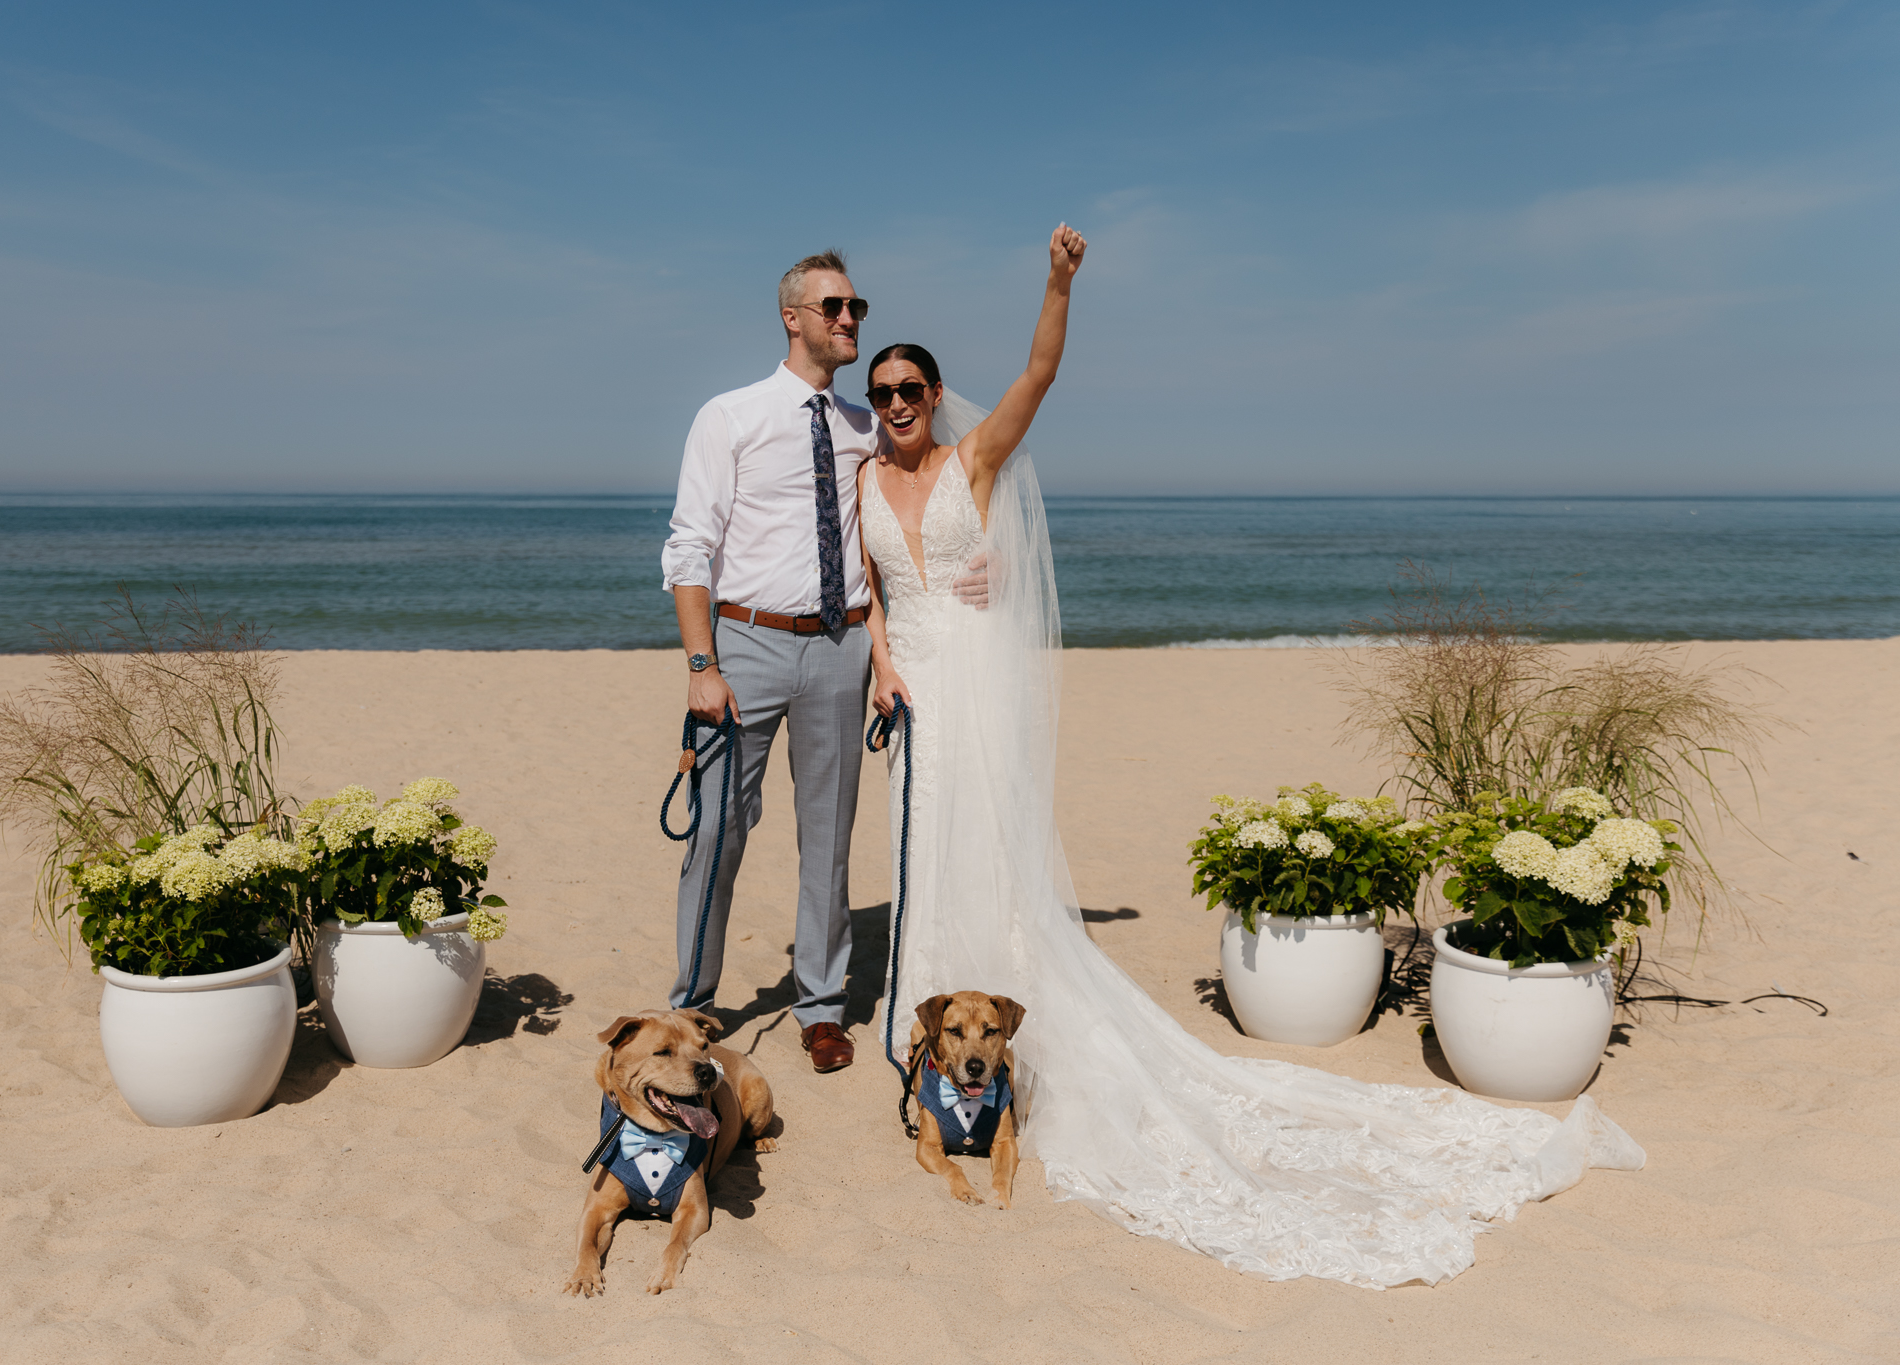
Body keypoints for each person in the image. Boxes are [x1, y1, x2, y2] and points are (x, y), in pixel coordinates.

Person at [854, 224, 1646, 1289]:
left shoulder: (972, 460)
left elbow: (1041, 371)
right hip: (913, 691)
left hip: (977, 692)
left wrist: (1056, 283)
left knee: (986, 847)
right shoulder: (862, 481)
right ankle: (924, 1029)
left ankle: (989, 1036)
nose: (896, 400)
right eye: (881, 389)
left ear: (935, 393)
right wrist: (876, 664)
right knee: (922, 843)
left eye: (909, 385)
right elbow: (872, 591)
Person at [659, 250, 876, 1073]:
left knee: (828, 836)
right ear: (792, 316)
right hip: (743, 644)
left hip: (840, 644)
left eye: (856, 305)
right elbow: (690, 547)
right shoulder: (731, 415)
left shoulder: (865, 425)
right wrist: (700, 662)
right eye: (833, 306)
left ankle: (821, 1005)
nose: (849, 318)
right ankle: (692, 1002)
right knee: (716, 826)